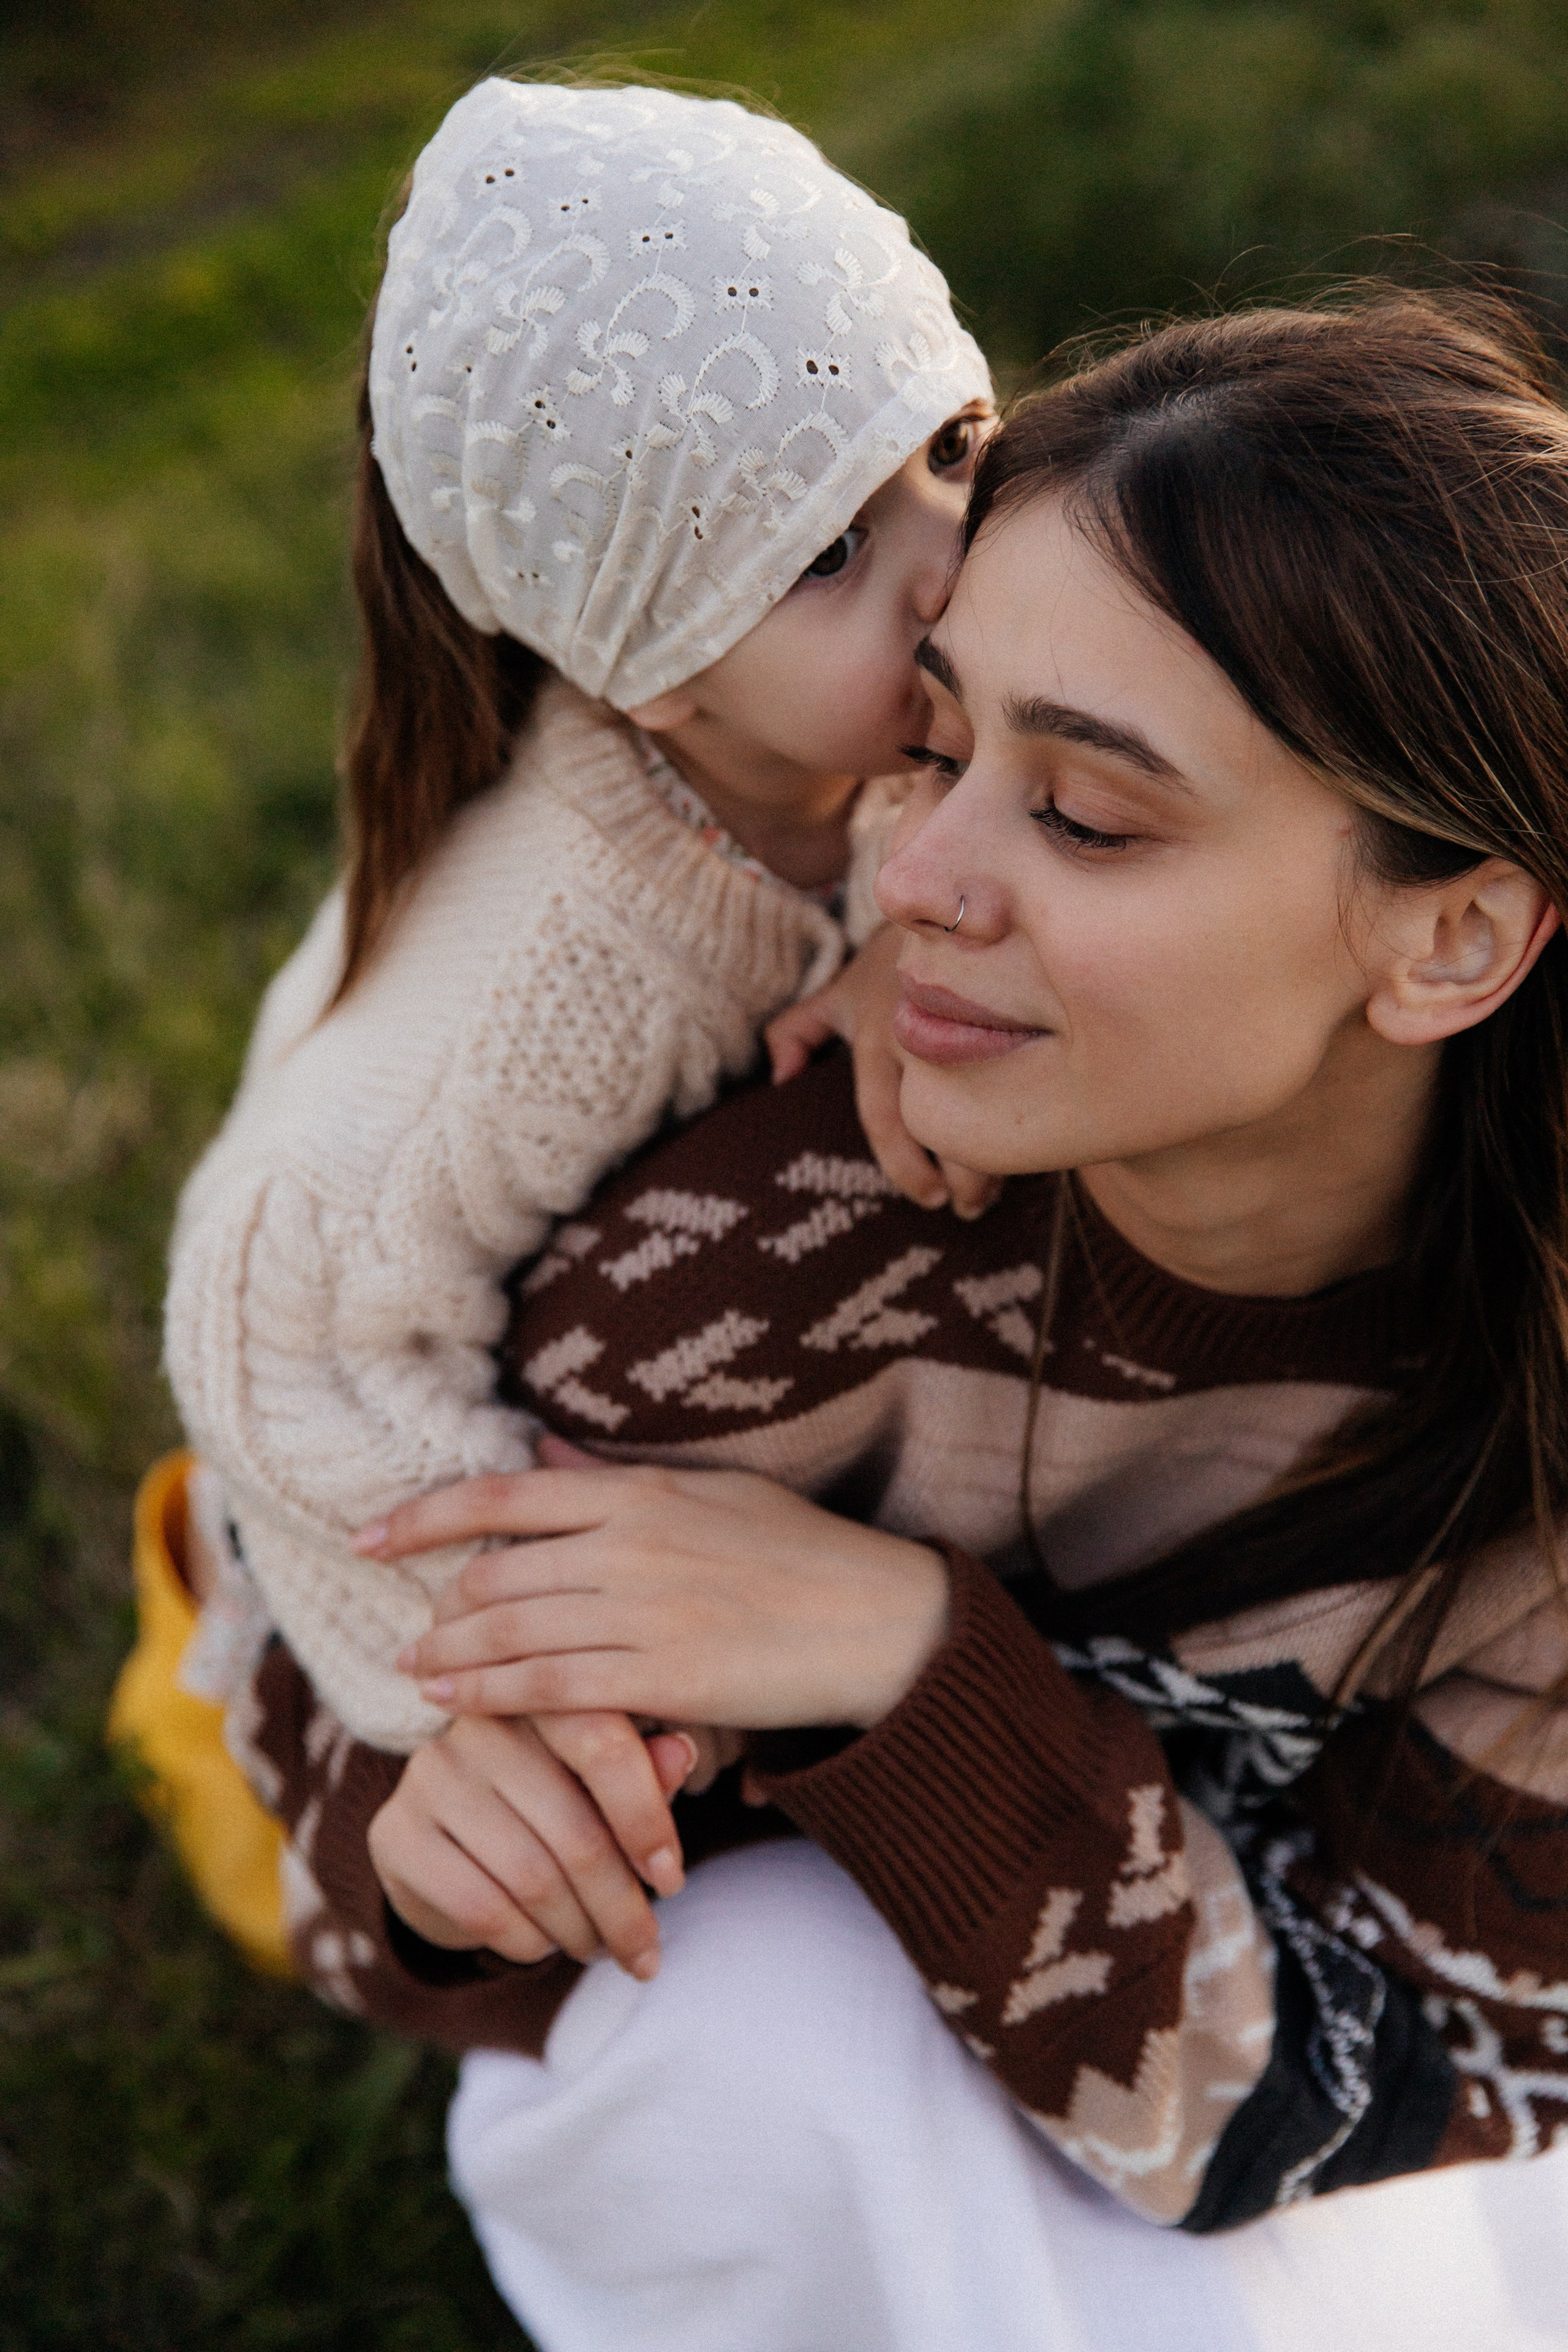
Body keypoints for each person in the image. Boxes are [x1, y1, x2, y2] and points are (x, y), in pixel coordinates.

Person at [229, 289, 1568, 2350]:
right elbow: (341, 1805)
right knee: (779, 2028)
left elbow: (1432, 2066)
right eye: (928, 747)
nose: (919, 877)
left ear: (1458, 936)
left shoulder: (1534, 1394)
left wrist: (913, 1663)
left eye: (1089, 815)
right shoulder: (729, 1278)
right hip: (788, 2018)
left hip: (1224, 1992)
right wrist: (447, 1859)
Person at [154, 72, 992, 1805]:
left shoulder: (886, 714)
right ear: (653, 673)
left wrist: (905, 940)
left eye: (955, 447)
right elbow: (268, 1305)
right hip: (351, 1462)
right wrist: (541, 1657)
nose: (955, 558)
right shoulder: (554, 970)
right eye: (831, 550)